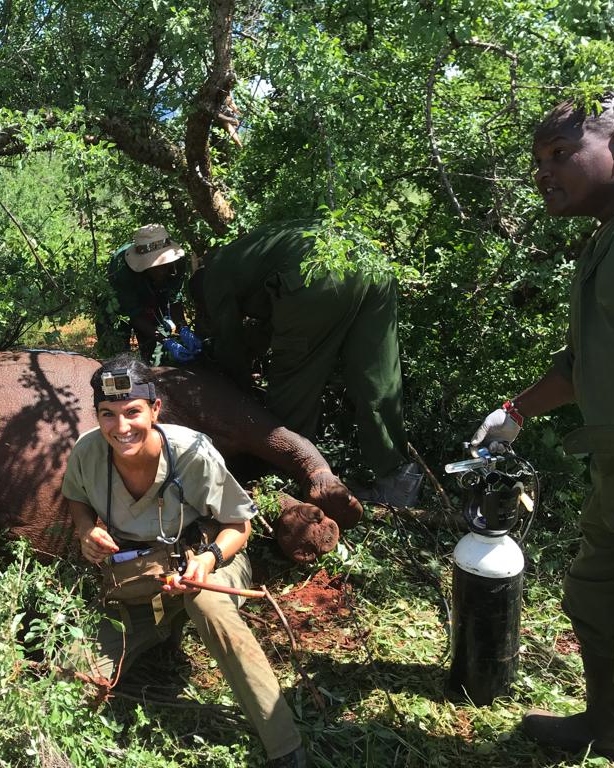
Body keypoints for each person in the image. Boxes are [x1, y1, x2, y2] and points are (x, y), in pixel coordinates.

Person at [469, 94, 614, 762]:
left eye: (562, 154)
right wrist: (513, 414)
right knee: (598, 594)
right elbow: (580, 365)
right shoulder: (610, 238)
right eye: (537, 161)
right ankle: (612, 727)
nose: (544, 173)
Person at [62, 355, 308, 768]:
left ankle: (284, 745)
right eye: (108, 415)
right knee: (71, 675)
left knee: (206, 604)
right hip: (140, 575)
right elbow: (76, 498)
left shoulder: (190, 452)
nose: (121, 428)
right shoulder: (88, 451)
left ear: (155, 409)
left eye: (133, 412)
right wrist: (86, 530)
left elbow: (238, 526)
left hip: (210, 559)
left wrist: (209, 560)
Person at [193, 222, 421, 508]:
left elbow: (229, 343)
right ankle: (397, 477)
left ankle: (285, 478)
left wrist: (236, 384)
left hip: (321, 275)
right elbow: (268, 317)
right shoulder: (248, 250)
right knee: (378, 378)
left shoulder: (213, 277)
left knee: (293, 384)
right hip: (370, 261)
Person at [98, 224, 204, 365]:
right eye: (155, 267)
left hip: (153, 301)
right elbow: (133, 314)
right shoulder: (121, 269)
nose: (161, 271)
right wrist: (166, 341)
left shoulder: (178, 263)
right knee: (117, 359)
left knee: (155, 358)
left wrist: (183, 328)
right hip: (119, 308)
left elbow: (174, 298)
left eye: (164, 265)